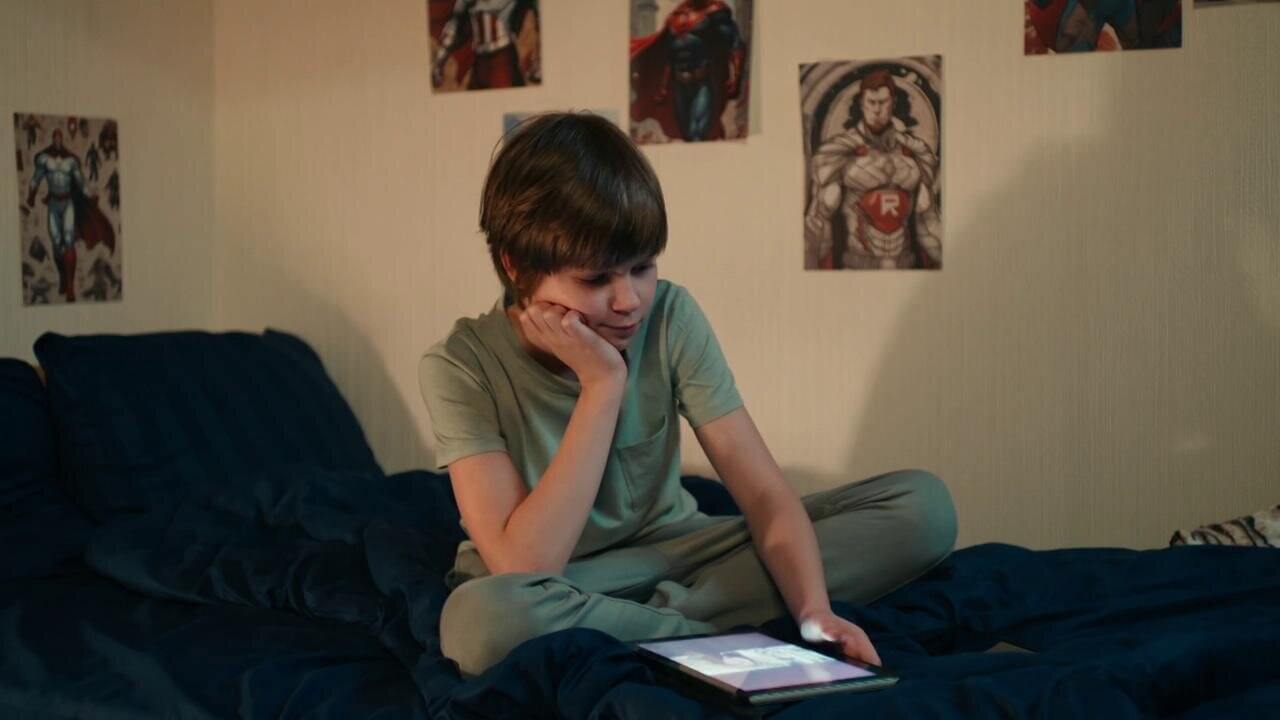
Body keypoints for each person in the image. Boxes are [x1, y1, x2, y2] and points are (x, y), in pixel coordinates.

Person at [418, 112, 957, 677]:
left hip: (680, 552)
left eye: (642, 267)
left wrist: (813, 609)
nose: (630, 300)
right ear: (517, 267)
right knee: (482, 622)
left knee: (923, 508)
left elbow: (764, 494)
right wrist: (602, 385)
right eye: (596, 279)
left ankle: (651, 627)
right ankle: (705, 633)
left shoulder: (672, 315)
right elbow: (525, 564)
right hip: (555, 582)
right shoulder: (460, 365)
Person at [805, 69, 942, 270]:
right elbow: (817, 223)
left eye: (883, 102)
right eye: (871, 102)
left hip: (905, 266)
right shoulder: (841, 152)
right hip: (855, 266)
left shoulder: (914, 152)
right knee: (830, 196)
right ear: (862, 103)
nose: (877, 110)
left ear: (893, 103)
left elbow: (928, 223)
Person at [630, 0, 745, 142]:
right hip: (679, 83)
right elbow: (668, 55)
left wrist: (737, 75)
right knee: (686, 134)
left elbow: (734, 43)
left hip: (701, 82)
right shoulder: (675, 17)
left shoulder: (714, 13)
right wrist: (662, 86)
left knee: (697, 132)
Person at [431, 0, 540, 90]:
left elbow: (540, 18)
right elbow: (454, 29)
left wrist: (539, 63)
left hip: (503, 60)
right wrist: (439, 63)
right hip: (479, 63)